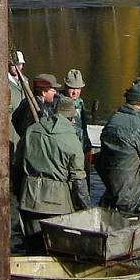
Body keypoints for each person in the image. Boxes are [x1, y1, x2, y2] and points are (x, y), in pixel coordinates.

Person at [14, 97, 90, 250]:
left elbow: (17, 166)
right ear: (72, 118)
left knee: (33, 249)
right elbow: (79, 181)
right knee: (56, 251)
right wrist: (86, 209)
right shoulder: (71, 140)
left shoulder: (32, 131)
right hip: (57, 205)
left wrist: (18, 194)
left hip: (29, 199)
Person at [96, 84, 140, 212]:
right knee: (127, 221)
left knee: (111, 217)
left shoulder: (113, 119)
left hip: (110, 183)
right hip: (129, 186)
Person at [11, 73, 60, 140]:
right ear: (44, 92)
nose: (55, 93)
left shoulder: (42, 104)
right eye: (53, 90)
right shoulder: (32, 108)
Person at [8, 51, 26, 161]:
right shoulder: (5, 82)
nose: (17, 67)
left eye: (20, 64)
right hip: (10, 124)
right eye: (14, 64)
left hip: (22, 123)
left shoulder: (25, 81)